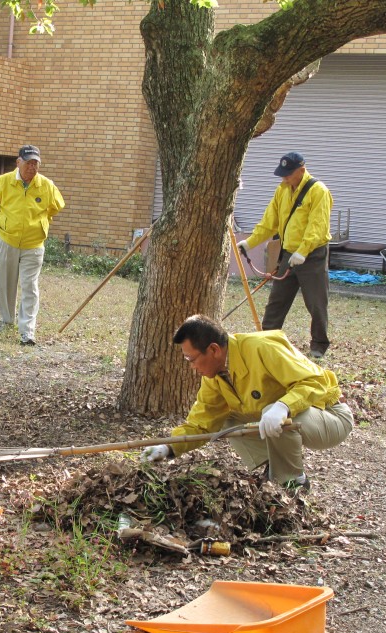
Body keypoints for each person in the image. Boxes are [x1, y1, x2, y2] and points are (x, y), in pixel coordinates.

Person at [140, 314, 353, 491]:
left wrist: (283, 406)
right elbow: (201, 423)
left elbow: (316, 381)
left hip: (330, 416)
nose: (191, 367)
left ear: (213, 350)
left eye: (191, 359)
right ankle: (273, 469)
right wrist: (168, 447)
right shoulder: (214, 377)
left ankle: (293, 482)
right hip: (297, 419)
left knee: (274, 410)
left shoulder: (260, 347)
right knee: (228, 418)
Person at [237, 152, 333, 360]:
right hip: (289, 254)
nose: (285, 178)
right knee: (277, 301)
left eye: (288, 174)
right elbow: (269, 221)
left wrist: (303, 251)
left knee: (316, 303)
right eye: (283, 175)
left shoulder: (318, 191)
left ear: (302, 170)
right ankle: (266, 341)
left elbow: (318, 226)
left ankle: (319, 344)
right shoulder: (282, 190)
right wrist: (250, 242)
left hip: (312, 255)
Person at [0, 145, 65, 346]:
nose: (32, 168)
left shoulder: (46, 185)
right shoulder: (4, 182)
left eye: (36, 164)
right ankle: (6, 321)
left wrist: (42, 222)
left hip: (34, 244)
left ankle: (27, 331)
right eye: (28, 163)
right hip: (7, 240)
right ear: (18, 162)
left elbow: (56, 206)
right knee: (5, 283)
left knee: (29, 286)